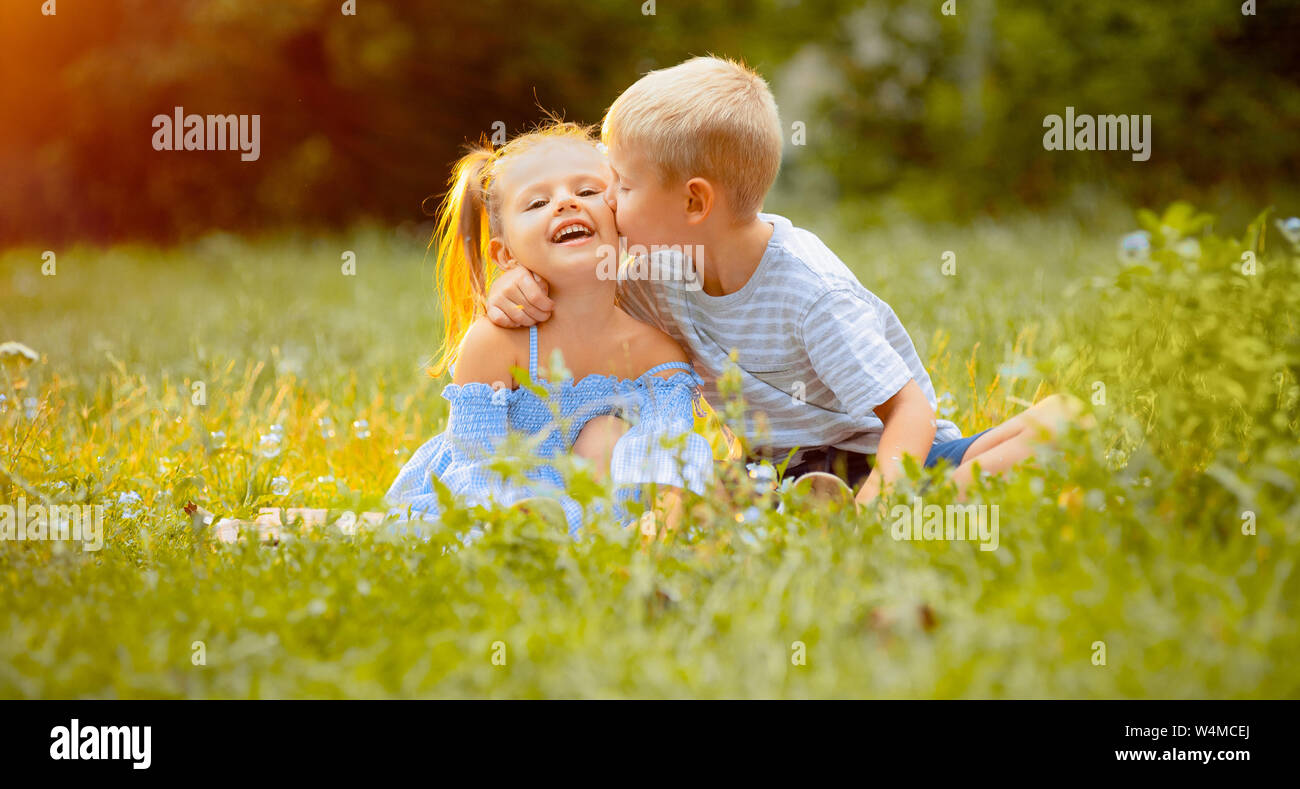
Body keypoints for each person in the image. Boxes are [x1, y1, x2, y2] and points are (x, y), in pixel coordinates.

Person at [485, 57, 1080, 508]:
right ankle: (804, 510)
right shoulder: (650, 267)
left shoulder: (810, 290)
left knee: (1069, 424)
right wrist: (517, 280)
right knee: (699, 495)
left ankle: (918, 499)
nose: (607, 199)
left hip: (891, 456)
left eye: (623, 185)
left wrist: (882, 504)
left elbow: (910, 412)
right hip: (772, 471)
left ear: (693, 201)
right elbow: (573, 292)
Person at [385, 123, 714, 535]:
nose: (565, 203)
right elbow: (474, 464)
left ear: (623, 221)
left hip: (609, 516)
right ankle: (541, 536)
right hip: (500, 508)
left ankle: (593, 536)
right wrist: (513, 519)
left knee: (607, 433)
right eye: (538, 202)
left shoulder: (656, 355)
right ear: (504, 254)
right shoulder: (497, 342)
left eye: (589, 192)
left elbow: (672, 457)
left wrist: (671, 517)